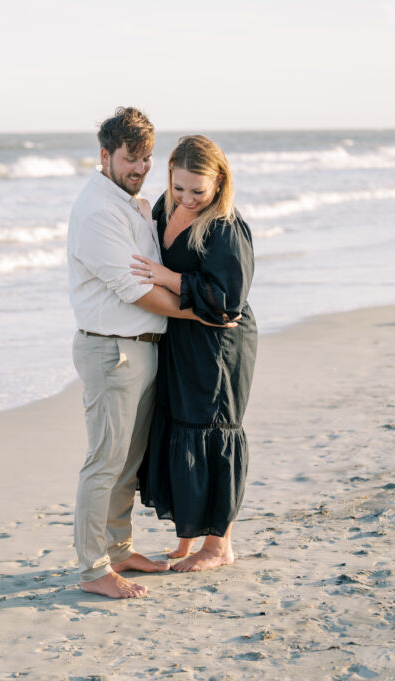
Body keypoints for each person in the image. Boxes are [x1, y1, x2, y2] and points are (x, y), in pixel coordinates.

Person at [67, 108, 235, 599]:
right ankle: (94, 568)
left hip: (142, 349)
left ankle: (119, 550)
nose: (139, 168)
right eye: (129, 159)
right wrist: (201, 314)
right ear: (105, 156)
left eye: (145, 159)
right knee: (104, 461)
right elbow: (134, 290)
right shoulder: (98, 211)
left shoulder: (134, 204)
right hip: (110, 351)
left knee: (127, 461)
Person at [131, 134, 257, 572]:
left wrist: (167, 277)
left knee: (212, 428)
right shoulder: (166, 207)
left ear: (219, 182)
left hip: (218, 344)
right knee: (181, 423)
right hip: (180, 335)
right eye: (179, 186)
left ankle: (218, 546)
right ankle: (188, 535)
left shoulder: (226, 227)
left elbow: (227, 301)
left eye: (197, 191)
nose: (186, 198)